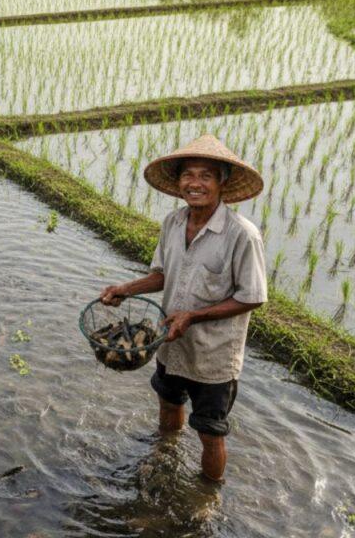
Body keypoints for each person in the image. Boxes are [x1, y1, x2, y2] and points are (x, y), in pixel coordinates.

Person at [99, 135, 267, 483]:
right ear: (177, 183)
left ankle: (207, 496)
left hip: (214, 356)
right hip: (170, 343)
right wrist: (125, 289)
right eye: (187, 175)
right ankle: (165, 453)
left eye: (206, 175)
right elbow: (162, 275)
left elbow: (253, 297)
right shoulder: (173, 223)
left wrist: (194, 316)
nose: (195, 183)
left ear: (222, 182)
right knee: (168, 402)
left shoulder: (242, 235)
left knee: (210, 430)